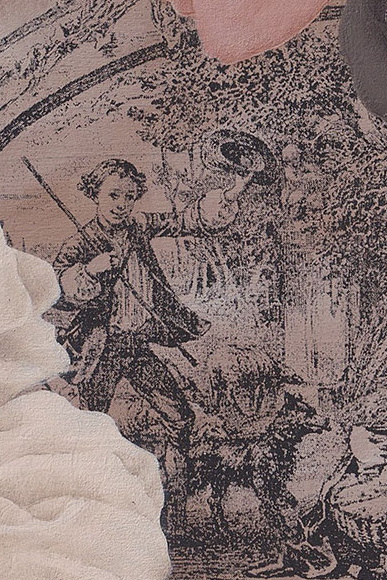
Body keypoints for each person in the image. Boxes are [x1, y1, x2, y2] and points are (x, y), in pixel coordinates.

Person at [52, 158, 249, 529]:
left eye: (129, 196)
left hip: (138, 346)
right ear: (96, 195)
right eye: (113, 195)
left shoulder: (139, 226)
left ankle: (174, 518)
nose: (121, 204)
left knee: (180, 418)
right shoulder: (80, 242)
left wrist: (227, 196)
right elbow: (58, 290)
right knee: (89, 428)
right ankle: (88, 517)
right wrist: (90, 269)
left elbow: (185, 220)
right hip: (103, 349)